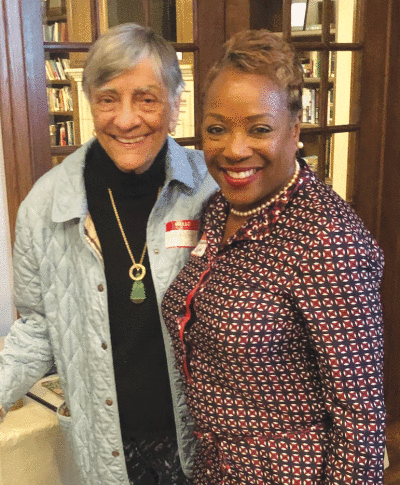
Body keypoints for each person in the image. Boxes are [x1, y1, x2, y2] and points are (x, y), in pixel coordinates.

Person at [162, 29, 386, 484]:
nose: (234, 148)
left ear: (295, 129)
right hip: (215, 467)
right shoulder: (219, 208)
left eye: (259, 128)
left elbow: (360, 419)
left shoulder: (327, 241)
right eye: (217, 128)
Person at [0, 23, 216, 485]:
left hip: (203, 436)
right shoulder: (46, 204)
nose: (126, 118)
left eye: (147, 98)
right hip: (108, 444)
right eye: (107, 98)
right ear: (89, 103)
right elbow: (38, 326)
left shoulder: (209, 190)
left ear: (176, 104)